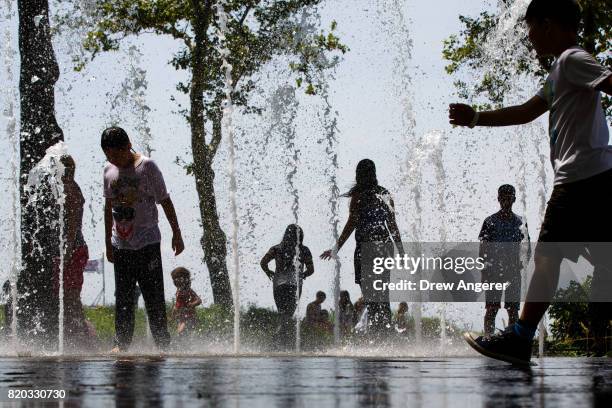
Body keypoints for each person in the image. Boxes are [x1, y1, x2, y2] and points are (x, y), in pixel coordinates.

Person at [449, 0, 612, 363]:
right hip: (592, 177)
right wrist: (476, 117)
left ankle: (520, 337)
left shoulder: (572, 58)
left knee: (546, 257)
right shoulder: (560, 69)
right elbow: (525, 112)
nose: (528, 36)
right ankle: (522, 336)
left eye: (531, 27)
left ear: (548, 23)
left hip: (580, 177)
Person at [101, 126, 184, 352]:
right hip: (122, 244)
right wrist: (108, 242)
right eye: (108, 155)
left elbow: (165, 200)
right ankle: (121, 344)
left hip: (147, 243)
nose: (113, 159)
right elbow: (108, 207)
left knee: (153, 296)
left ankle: (162, 344)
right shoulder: (109, 170)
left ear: (128, 144)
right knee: (124, 296)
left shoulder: (147, 167)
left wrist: (177, 233)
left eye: (116, 154)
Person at [321, 159, 403, 334]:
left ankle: (376, 333)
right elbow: (392, 226)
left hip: (365, 249)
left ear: (359, 174)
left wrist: (336, 248)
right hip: (383, 249)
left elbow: (351, 224)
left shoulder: (359, 196)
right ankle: (385, 333)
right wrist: (401, 251)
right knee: (382, 294)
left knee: (371, 296)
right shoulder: (385, 194)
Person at [53, 155, 95, 350]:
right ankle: (77, 335)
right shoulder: (66, 187)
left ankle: (82, 337)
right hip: (70, 248)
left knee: (70, 294)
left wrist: (68, 249)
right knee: (67, 294)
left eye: (69, 168)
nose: (67, 171)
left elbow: (72, 224)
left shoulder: (70, 190)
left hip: (73, 249)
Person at [479, 185, 529, 336]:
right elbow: (483, 249)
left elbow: (527, 248)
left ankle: (510, 339)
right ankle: (488, 337)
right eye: (503, 197)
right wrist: (483, 272)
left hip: (513, 272)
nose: (506, 200)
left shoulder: (520, 222)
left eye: (509, 197)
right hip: (493, 272)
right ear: (498, 199)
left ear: (514, 199)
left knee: (513, 310)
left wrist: (522, 263)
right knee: (492, 308)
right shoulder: (490, 221)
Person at [260, 224, 314, 348]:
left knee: (282, 314)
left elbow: (263, 262)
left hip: (278, 285)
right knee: (288, 315)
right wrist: (302, 275)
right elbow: (311, 269)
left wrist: (269, 272)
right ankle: (279, 342)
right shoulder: (304, 250)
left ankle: (279, 342)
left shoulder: (276, 248)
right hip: (294, 286)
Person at [170, 267, 202, 337]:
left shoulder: (188, 291)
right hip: (182, 318)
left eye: (177, 278)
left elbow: (199, 300)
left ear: (185, 279)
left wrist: (192, 304)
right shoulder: (179, 291)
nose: (175, 281)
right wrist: (173, 315)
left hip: (190, 317)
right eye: (174, 279)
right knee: (180, 335)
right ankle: (190, 346)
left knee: (180, 334)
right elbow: (177, 305)